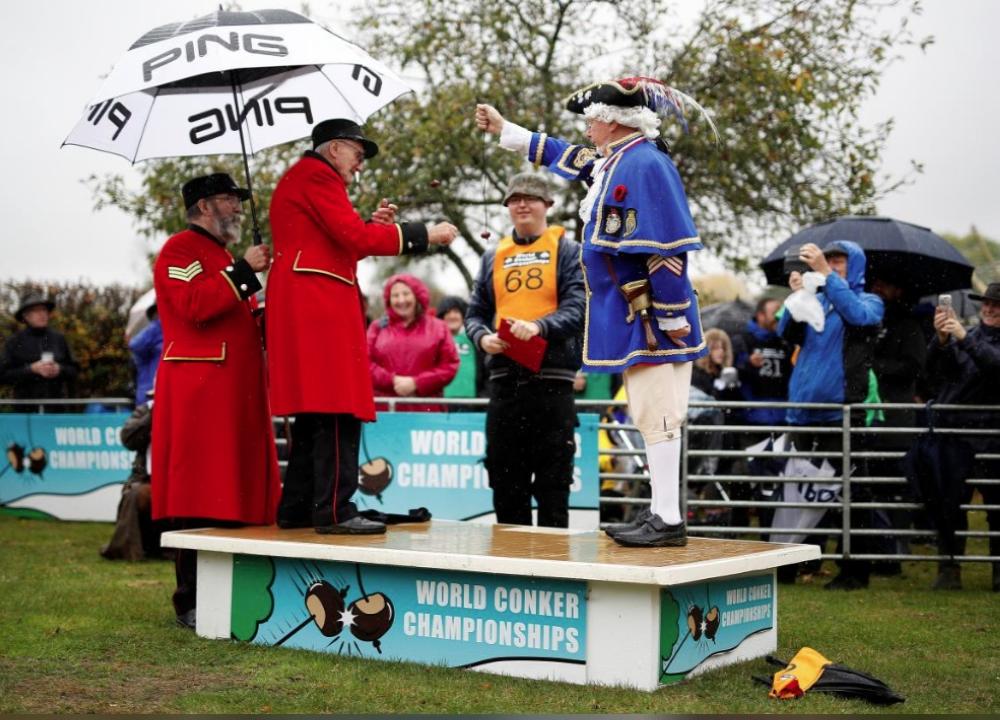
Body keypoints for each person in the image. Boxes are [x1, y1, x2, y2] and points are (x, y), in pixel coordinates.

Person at [476, 76, 708, 546]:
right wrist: (507, 129)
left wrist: (670, 315)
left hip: (655, 316)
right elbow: (564, 154)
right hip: (635, 314)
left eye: (591, 120)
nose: (586, 129)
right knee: (648, 413)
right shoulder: (617, 161)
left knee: (660, 413)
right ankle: (660, 512)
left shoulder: (643, 164)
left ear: (612, 122)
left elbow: (668, 249)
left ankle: (668, 517)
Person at [266, 118, 457, 535]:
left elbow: (338, 243)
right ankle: (335, 509)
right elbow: (354, 238)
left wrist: (378, 228)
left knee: (316, 413)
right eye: (357, 153)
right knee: (337, 408)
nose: (360, 164)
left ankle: (298, 506)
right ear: (335, 149)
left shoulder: (307, 180)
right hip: (319, 309)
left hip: (309, 304)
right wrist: (424, 233)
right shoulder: (318, 177)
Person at [151, 172, 281, 629]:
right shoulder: (179, 250)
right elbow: (193, 306)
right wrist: (244, 271)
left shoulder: (223, 255)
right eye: (229, 200)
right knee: (198, 492)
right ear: (204, 206)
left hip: (235, 391)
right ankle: (190, 598)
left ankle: (229, 590)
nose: (238, 208)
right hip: (200, 390)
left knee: (234, 487)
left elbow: (239, 316)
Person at [465, 172, 585, 528]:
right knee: (505, 484)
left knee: (553, 486)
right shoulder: (492, 257)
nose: (521, 204)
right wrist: (482, 337)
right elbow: (475, 313)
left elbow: (579, 307)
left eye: (530, 198)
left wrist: (539, 327)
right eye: (514, 199)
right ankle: (511, 568)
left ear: (548, 204)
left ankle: (554, 573)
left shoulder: (568, 250)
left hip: (553, 383)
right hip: (504, 384)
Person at [778, 240, 883, 589]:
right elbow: (786, 336)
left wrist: (825, 274)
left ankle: (855, 570)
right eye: (830, 260)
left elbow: (860, 317)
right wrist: (797, 299)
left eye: (840, 260)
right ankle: (791, 563)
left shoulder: (869, 301)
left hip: (842, 413)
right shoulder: (818, 299)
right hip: (804, 412)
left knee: (852, 497)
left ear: (854, 266)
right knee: (799, 493)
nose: (833, 265)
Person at [921, 281, 1000, 591]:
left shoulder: (970, 337)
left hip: (993, 436)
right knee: (948, 505)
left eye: (997, 304)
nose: (990, 308)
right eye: (987, 303)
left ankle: (998, 571)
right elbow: (937, 374)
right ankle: (949, 568)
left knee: (997, 508)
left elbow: (994, 367)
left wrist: (962, 338)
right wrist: (940, 341)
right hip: (956, 433)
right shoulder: (966, 335)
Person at [867, 276, 927, 575]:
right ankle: (874, 550)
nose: (878, 289)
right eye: (874, 284)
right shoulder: (865, 323)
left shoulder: (908, 326)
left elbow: (914, 366)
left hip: (895, 421)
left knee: (894, 488)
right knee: (870, 487)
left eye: (884, 284)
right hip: (868, 421)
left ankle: (895, 551)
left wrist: (875, 368)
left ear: (898, 289)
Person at [367, 274, 460, 411]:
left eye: (406, 294)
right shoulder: (377, 327)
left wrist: (417, 383)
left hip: (427, 412)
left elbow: (450, 365)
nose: (401, 300)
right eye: (395, 295)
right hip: (384, 410)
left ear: (417, 296)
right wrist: (391, 381)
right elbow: (363, 362)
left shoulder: (439, 327)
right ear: (388, 299)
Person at [0, 293, 79, 405]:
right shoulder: (14, 342)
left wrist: (59, 369)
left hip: (56, 408)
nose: (42, 314)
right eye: (36, 311)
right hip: (25, 410)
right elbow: (3, 375)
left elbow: (74, 371)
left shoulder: (59, 339)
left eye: (44, 310)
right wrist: (31, 369)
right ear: (25, 316)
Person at [437, 296, 481, 401]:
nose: (452, 316)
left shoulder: (474, 339)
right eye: (447, 312)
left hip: (472, 401)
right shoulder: (435, 341)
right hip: (442, 400)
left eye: (456, 312)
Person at [128, 304, 162, 406]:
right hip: (149, 395)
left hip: (158, 392)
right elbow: (135, 345)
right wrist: (159, 325)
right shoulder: (154, 332)